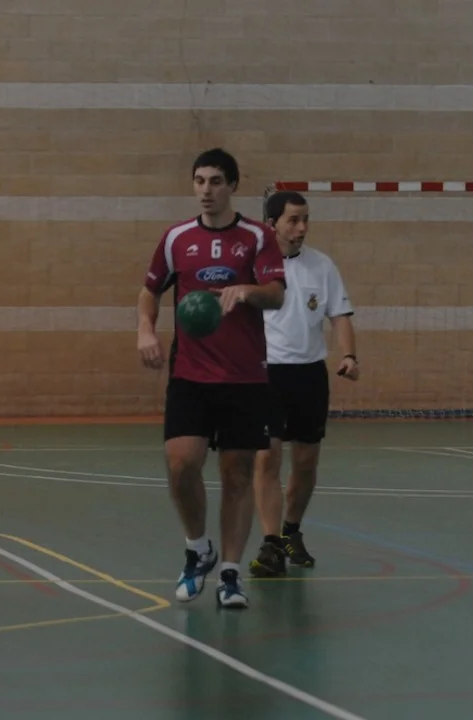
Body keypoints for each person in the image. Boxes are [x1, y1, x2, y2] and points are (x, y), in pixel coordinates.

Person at [137, 148, 286, 609]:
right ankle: (198, 548)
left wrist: (247, 291)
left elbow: (277, 295)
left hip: (245, 376)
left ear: (232, 185)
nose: (206, 190)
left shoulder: (258, 237)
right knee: (181, 463)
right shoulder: (176, 238)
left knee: (237, 473)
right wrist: (145, 330)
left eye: (216, 181)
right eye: (199, 181)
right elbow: (149, 291)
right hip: (191, 374)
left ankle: (230, 573)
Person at [248, 190, 359, 578]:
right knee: (267, 457)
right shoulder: (253, 265)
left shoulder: (322, 266)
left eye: (305, 219)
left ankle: (291, 530)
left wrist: (349, 356)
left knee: (306, 461)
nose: (301, 227)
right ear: (272, 224)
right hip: (266, 373)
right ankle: (270, 543)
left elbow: (340, 315)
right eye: (293, 220)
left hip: (309, 374)